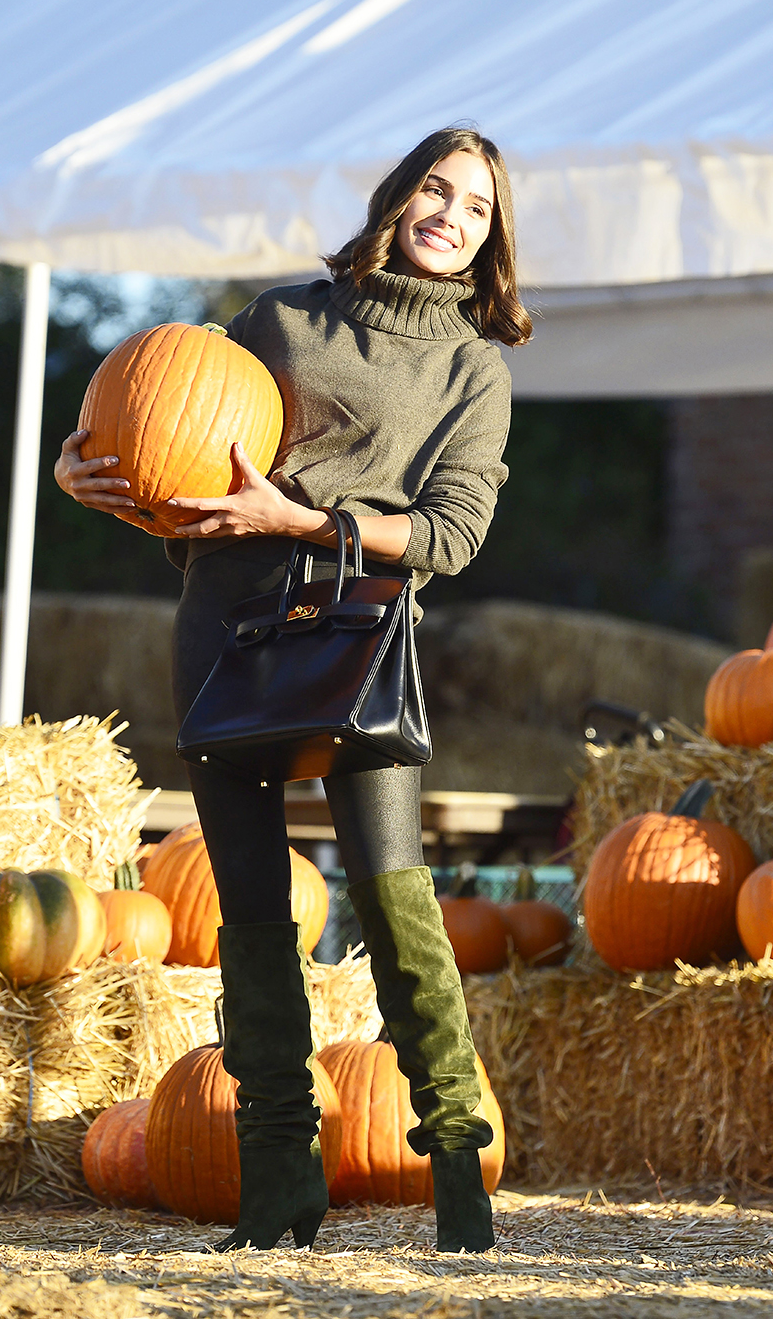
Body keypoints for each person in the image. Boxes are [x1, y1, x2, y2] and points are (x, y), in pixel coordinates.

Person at [55, 127, 532, 1253]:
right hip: (226, 622)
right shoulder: (281, 318)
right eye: (435, 188)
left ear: (489, 238)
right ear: (396, 196)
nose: (451, 214)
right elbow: (178, 442)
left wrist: (311, 520)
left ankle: (456, 1158)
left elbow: (454, 535)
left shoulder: (473, 368)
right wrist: (87, 477)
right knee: (250, 908)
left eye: (475, 206)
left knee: (392, 893)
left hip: (356, 632)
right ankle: (279, 1175)